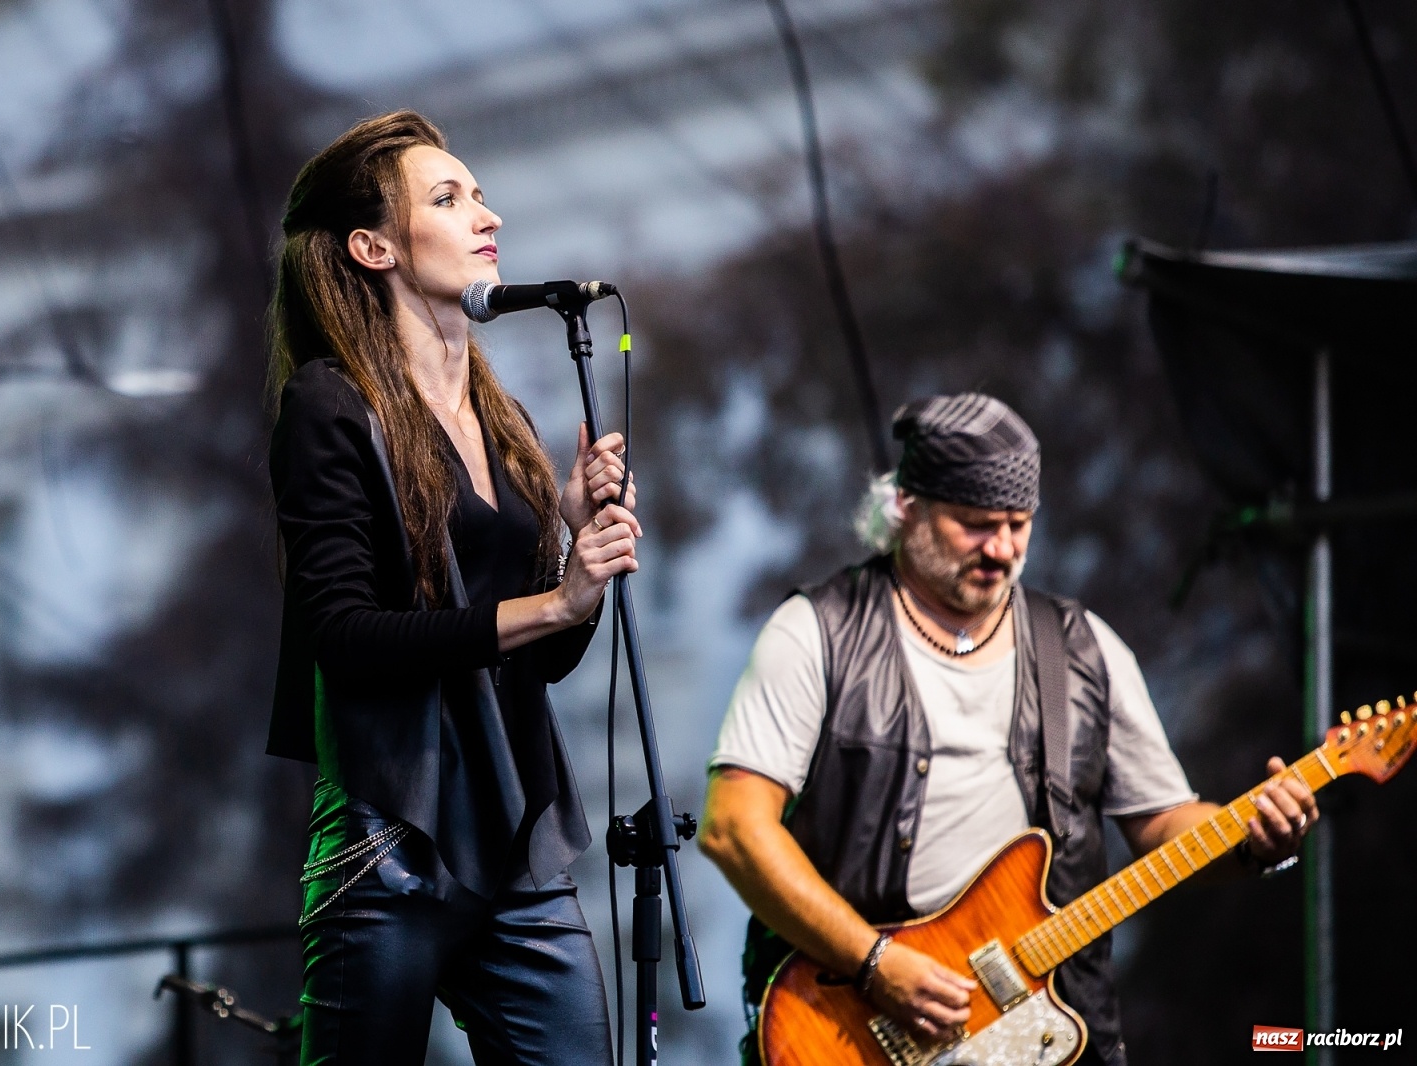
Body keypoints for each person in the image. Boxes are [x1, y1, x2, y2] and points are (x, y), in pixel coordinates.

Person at [698, 393, 1316, 1066]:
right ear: (906, 507)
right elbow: (734, 828)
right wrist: (875, 962)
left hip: (1050, 1037)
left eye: (1019, 525)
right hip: (853, 1026)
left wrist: (1252, 838)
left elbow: (1161, 822)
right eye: (975, 524)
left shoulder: (1085, 650)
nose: (1002, 548)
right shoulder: (817, 632)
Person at [265, 110, 638, 1066]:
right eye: (450, 196)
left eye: (477, 192)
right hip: (392, 841)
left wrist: (569, 549)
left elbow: (543, 659)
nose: (488, 214)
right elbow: (346, 637)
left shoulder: (494, 407)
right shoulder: (328, 404)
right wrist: (550, 602)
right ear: (372, 246)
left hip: (519, 838)